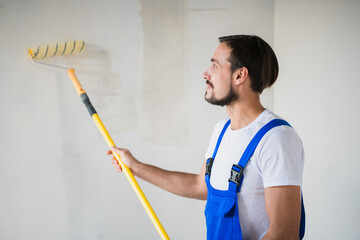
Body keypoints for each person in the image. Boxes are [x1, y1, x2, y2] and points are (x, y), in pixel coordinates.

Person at [107, 35, 305, 240]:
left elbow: (285, 233)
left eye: (215, 66)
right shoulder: (222, 130)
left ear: (239, 76)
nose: (205, 74)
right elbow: (199, 186)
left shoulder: (276, 138)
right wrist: (135, 166)